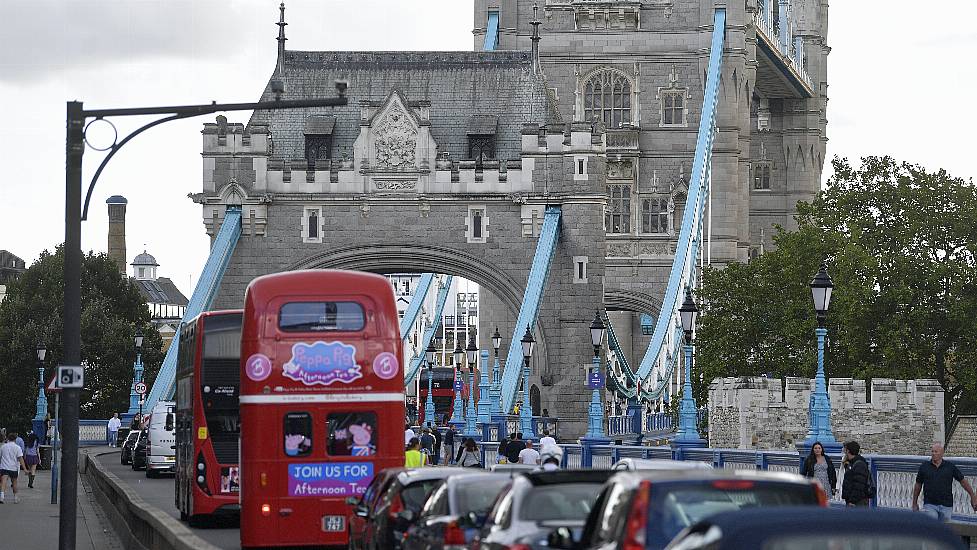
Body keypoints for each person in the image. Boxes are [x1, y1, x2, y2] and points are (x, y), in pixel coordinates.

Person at [912, 442, 977, 521]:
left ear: (942, 453)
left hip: (946, 505)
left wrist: (972, 495)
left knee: (944, 528)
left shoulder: (950, 467)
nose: (933, 454)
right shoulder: (924, 467)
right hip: (929, 504)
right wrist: (914, 503)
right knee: (932, 525)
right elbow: (918, 485)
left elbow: (963, 481)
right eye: (932, 451)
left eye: (936, 452)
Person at [841, 441, 873, 506]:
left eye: (845, 449)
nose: (843, 451)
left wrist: (852, 501)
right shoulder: (852, 463)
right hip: (852, 499)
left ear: (848, 451)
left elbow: (859, 484)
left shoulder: (859, 464)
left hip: (857, 501)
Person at [0, 432, 27, 503]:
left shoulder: (3, 446)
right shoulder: (17, 448)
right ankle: (15, 498)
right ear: (15, 439)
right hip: (13, 468)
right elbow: (21, 459)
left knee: (3, 482)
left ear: (8, 438)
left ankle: (1, 497)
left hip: (4, 467)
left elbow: (0, 457)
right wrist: (25, 469)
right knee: (14, 483)